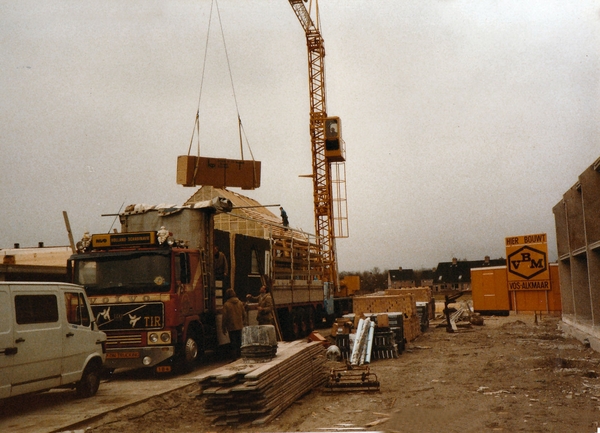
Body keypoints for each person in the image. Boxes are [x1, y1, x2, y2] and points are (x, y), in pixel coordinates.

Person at [221, 288, 246, 360]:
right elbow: (244, 314)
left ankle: (234, 358)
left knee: (233, 342)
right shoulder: (240, 303)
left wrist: (223, 327)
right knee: (239, 341)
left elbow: (225, 317)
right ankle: (240, 356)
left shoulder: (226, 304)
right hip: (239, 325)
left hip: (231, 326)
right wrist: (242, 321)